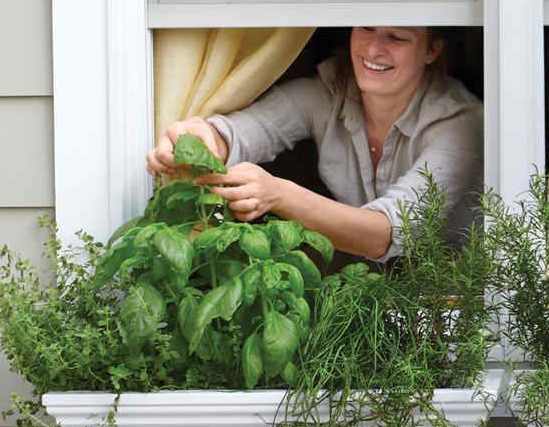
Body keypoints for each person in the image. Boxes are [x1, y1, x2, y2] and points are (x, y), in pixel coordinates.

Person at [146, 26, 483, 261]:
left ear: (432, 50)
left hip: (461, 304)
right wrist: (201, 138)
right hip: (379, 297)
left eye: (396, 37)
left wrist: (277, 193)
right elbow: (246, 131)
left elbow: (385, 233)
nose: (373, 49)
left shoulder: (460, 124)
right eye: (365, 28)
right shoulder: (328, 92)